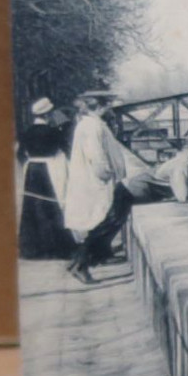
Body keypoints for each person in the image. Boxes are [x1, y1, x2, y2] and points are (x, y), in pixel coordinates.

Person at [63, 90, 131, 283]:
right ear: (100, 106)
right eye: (108, 104)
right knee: (102, 222)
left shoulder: (90, 124)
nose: (110, 107)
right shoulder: (93, 126)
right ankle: (81, 264)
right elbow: (97, 156)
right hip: (96, 183)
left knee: (102, 220)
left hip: (91, 181)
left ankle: (85, 259)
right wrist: (107, 175)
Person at [17, 97, 72, 259]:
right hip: (49, 169)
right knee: (51, 205)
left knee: (33, 206)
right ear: (48, 115)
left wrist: (27, 163)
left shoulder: (26, 132)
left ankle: (32, 248)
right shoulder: (53, 132)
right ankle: (55, 247)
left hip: (32, 169)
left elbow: (20, 154)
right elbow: (66, 147)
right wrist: (64, 125)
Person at [125, 138, 188, 205]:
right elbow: (183, 198)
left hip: (144, 187)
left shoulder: (187, 160)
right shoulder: (182, 166)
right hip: (140, 189)